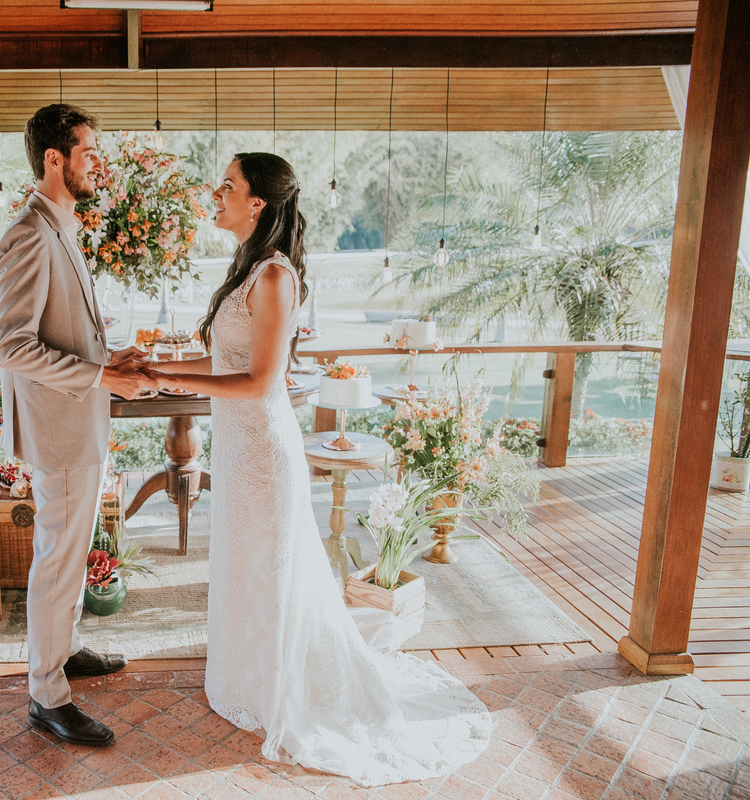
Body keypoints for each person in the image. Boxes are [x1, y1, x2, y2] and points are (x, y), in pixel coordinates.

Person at [146, 153, 492, 784]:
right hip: (238, 450)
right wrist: (155, 371)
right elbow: (221, 363)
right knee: (245, 566)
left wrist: (170, 378)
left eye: (227, 186)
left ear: (257, 203)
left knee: (272, 570)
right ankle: (247, 681)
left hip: (264, 453)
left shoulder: (275, 276)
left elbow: (259, 382)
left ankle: (284, 689)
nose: (216, 195)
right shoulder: (247, 268)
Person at [0, 103, 153, 748]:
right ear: (53, 159)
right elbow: (13, 347)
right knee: (59, 561)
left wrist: (109, 360)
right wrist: (101, 377)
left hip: (77, 424)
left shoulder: (61, 225)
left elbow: (62, 332)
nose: (97, 164)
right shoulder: (30, 233)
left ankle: (65, 649)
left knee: (70, 553)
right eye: (88, 152)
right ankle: (47, 695)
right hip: (59, 433)